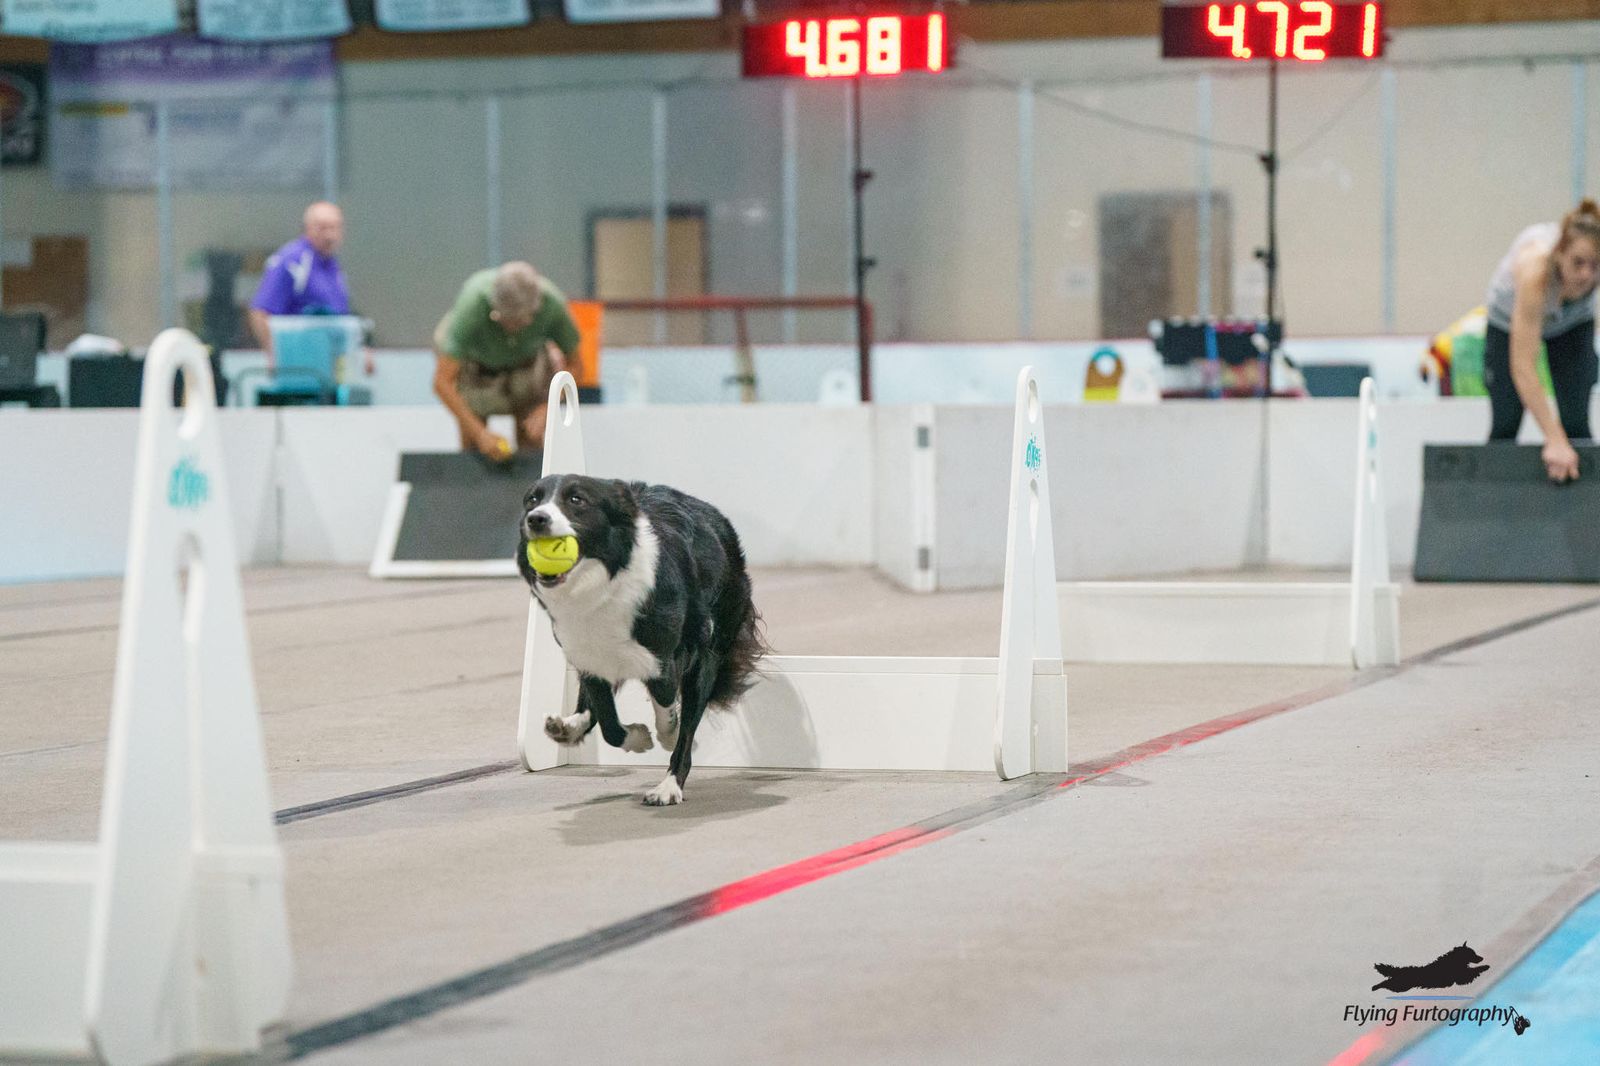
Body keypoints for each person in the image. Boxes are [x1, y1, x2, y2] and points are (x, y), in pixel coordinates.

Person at [1483, 199, 1600, 482]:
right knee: (1506, 422)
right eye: (1578, 263)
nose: (1586, 275)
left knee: (1576, 424)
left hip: (1571, 322)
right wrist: (1554, 439)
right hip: (1508, 320)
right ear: (1560, 254)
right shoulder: (1535, 270)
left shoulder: (1589, 277)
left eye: (1595, 265)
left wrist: (1565, 438)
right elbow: (1523, 366)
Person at [432, 261, 581, 458]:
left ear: (535, 311)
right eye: (504, 320)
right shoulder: (472, 303)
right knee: (474, 449)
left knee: (531, 441)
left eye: (519, 321)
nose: (511, 328)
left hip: (528, 369)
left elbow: (576, 365)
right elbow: (442, 382)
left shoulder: (553, 305)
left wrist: (549, 407)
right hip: (476, 370)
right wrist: (479, 434)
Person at [249, 202, 370, 373]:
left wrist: (359, 350)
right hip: (298, 367)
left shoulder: (333, 266)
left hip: (331, 366)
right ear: (307, 228)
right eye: (323, 228)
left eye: (334, 228)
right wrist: (274, 356)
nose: (329, 235)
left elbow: (341, 317)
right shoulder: (292, 260)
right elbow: (260, 312)